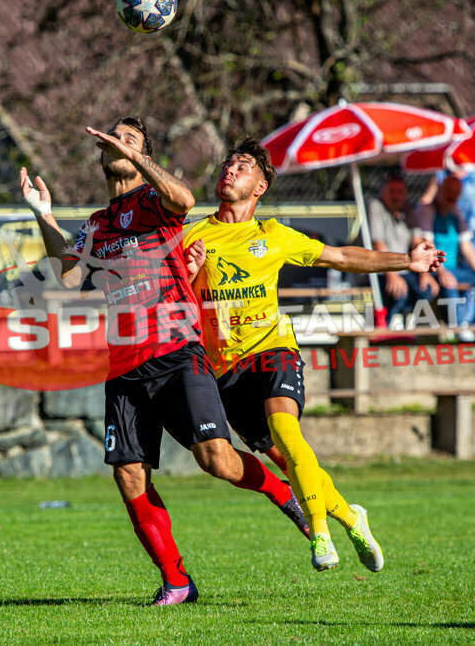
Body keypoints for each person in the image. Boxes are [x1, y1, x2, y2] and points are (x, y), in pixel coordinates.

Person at [19, 116, 308, 606]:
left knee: (215, 459)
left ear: (142, 155)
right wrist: (42, 214)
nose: (116, 143)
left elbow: (185, 201)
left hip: (177, 352)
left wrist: (138, 157)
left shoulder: (155, 201)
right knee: (128, 472)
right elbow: (68, 279)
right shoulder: (97, 224)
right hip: (124, 367)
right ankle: (177, 580)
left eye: (129, 139)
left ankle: (283, 494)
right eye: (113, 138)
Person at [182, 136, 444, 572]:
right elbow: (178, 302)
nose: (230, 169)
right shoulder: (194, 234)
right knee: (288, 460)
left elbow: (342, 256)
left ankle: (319, 534)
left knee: (287, 431)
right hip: (224, 370)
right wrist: (189, 274)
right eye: (229, 163)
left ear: (260, 187)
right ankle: (351, 516)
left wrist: (406, 261)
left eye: (243, 166)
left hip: (272, 348)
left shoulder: (273, 235)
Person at [415, 174, 475, 343]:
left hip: (454, 269)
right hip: (434, 269)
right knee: (449, 281)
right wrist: (442, 271)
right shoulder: (428, 211)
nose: (452, 197)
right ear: (440, 190)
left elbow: (467, 247)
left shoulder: (455, 214)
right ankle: (459, 327)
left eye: (456, 194)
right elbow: (427, 246)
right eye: (449, 192)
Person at [367, 173, 424, 324]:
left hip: (405, 269)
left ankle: (402, 326)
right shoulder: (375, 206)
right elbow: (378, 243)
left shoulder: (408, 209)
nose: (396, 196)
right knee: (399, 293)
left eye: (400, 192)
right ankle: (384, 329)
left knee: (426, 290)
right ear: (382, 192)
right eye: (392, 191)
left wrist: (425, 272)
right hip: (379, 271)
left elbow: (417, 241)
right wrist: (392, 274)